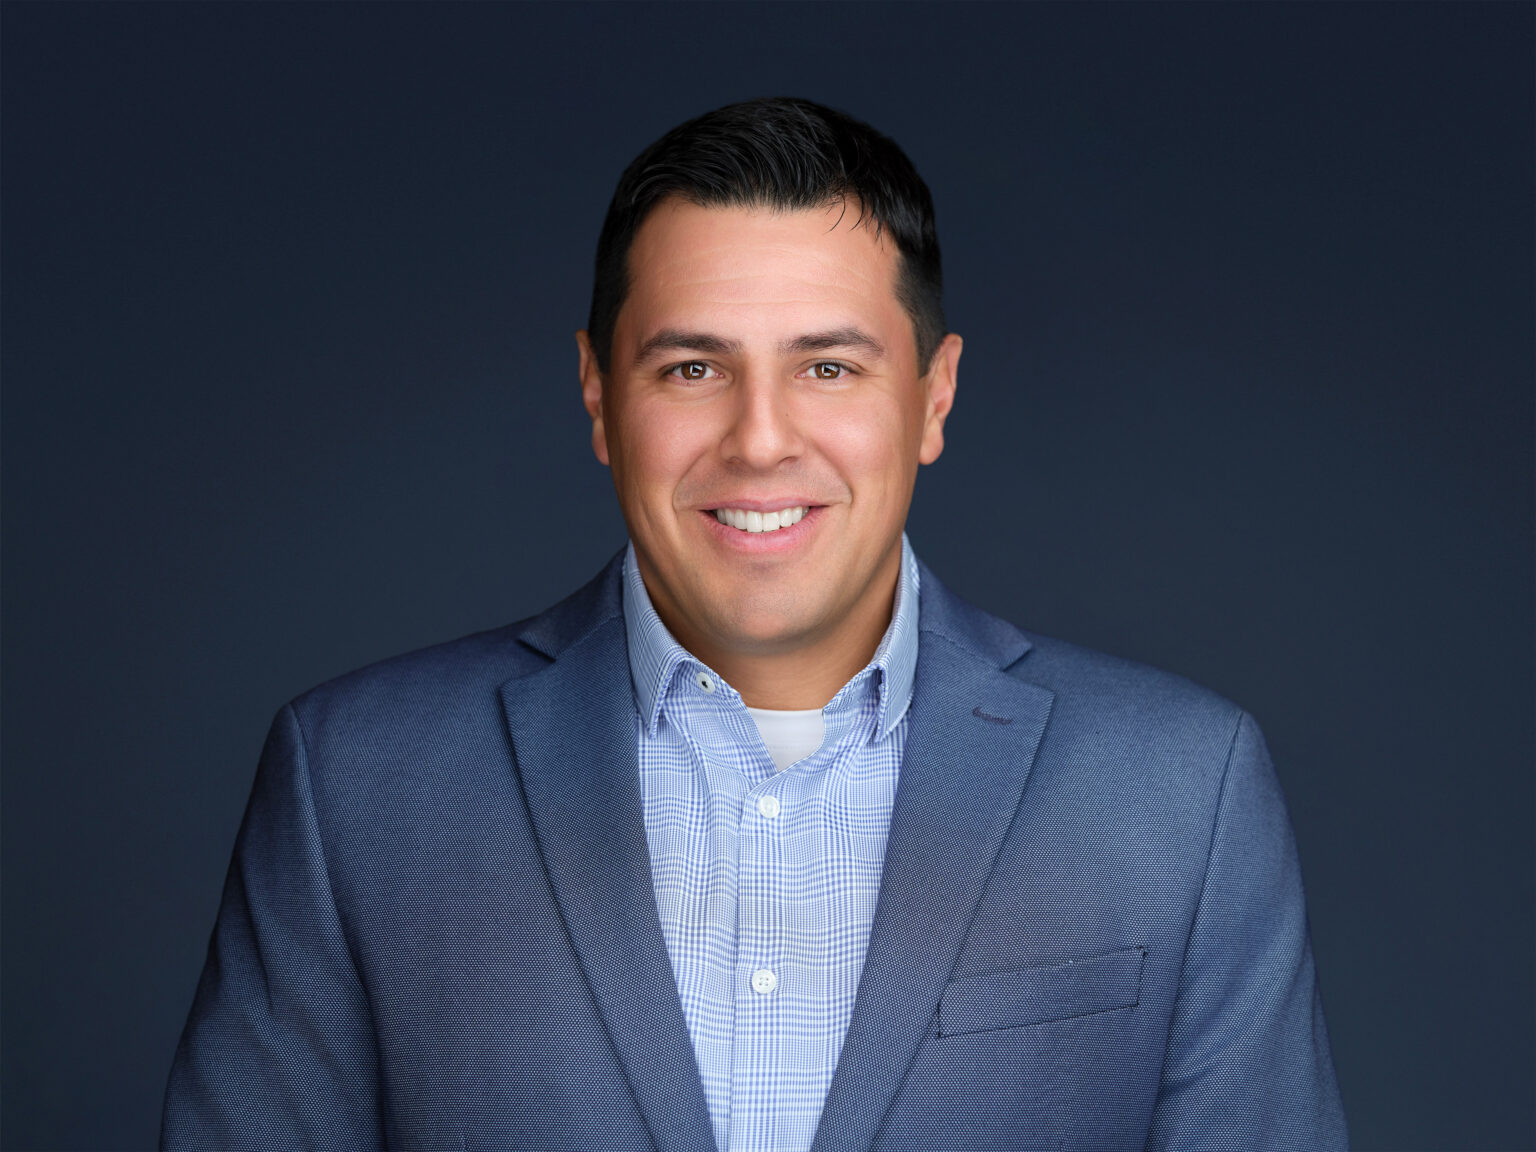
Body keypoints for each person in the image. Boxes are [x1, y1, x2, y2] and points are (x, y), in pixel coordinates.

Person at [163, 97, 1347, 1150]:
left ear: (932, 398)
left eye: (828, 368)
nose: (762, 438)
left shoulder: (1178, 793)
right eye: (692, 369)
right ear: (597, 395)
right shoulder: (358, 785)